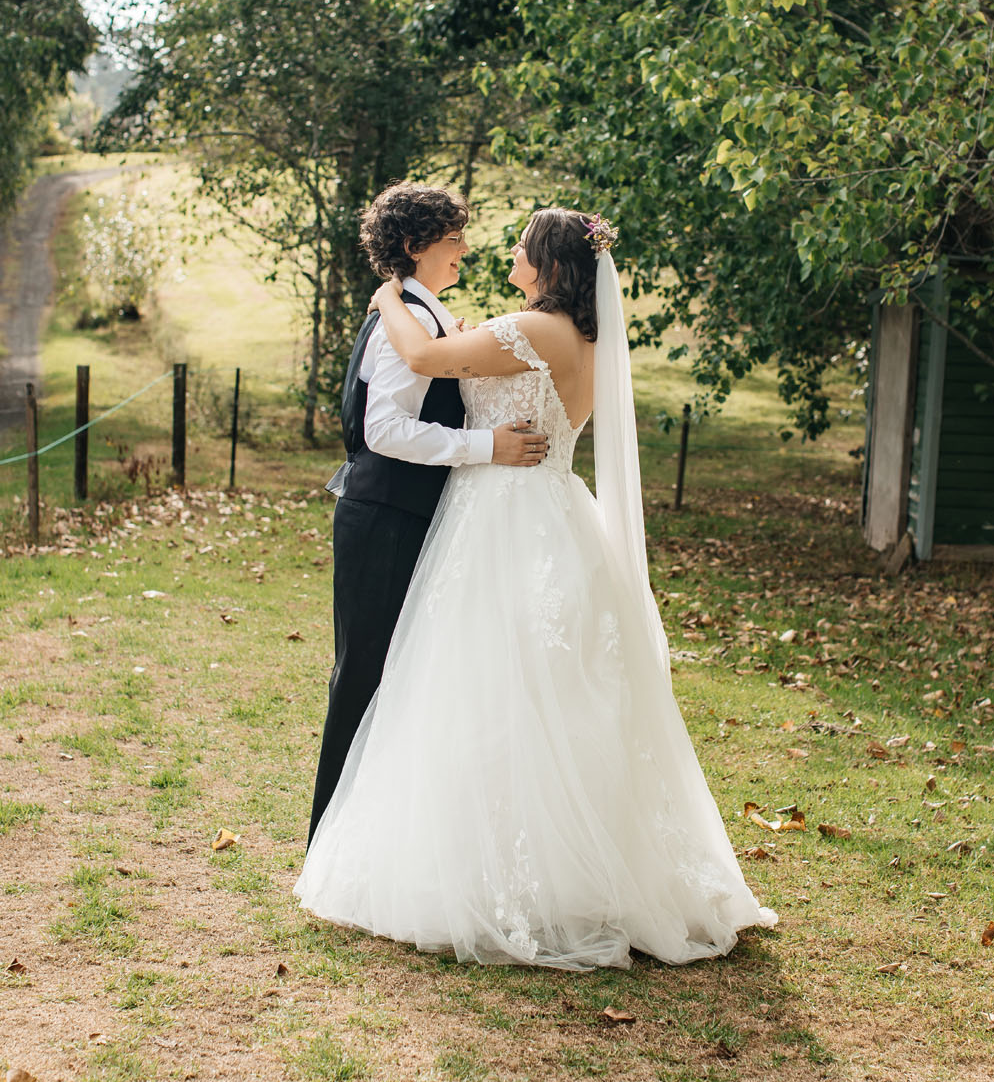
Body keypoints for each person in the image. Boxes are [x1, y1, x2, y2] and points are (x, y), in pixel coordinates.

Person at [296, 208, 777, 968]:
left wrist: (390, 298)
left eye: (522, 245)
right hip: (544, 509)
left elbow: (424, 359)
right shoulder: (578, 338)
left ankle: (508, 878)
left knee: (497, 689)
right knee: (535, 692)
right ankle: (548, 866)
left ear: (549, 264)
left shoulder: (540, 328)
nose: (507, 251)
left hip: (505, 514)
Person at [307, 183, 548, 844]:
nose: (464, 249)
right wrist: (486, 447)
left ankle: (369, 838)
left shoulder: (418, 311)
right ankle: (329, 841)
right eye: (453, 239)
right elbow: (384, 428)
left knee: (395, 675)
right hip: (383, 516)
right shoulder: (404, 316)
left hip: (403, 515)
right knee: (362, 675)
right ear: (415, 246)